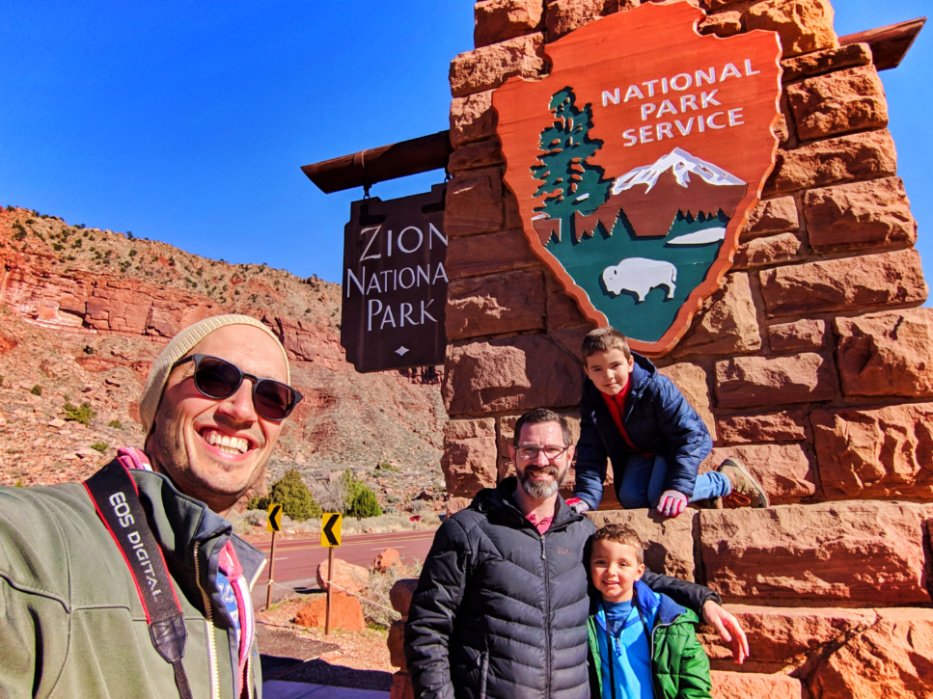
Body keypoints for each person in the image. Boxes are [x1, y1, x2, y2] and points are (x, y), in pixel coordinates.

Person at [0, 314, 302, 698]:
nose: (242, 411)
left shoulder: (226, 576)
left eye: (271, 398)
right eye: (214, 378)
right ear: (157, 402)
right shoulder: (30, 549)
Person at [405, 408, 748, 699]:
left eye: (552, 450)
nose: (541, 461)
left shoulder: (582, 534)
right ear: (513, 454)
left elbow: (633, 576)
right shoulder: (468, 531)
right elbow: (428, 628)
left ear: (570, 456)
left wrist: (704, 602)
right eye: (529, 450)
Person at [570, 327, 768, 518]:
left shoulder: (656, 388)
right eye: (597, 369)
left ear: (630, 363)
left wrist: (678, 489)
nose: (608, 376)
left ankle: (726, 480)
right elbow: (591, 450)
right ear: (587, 371)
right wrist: (585, 498)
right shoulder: (593, 399)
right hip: (641, 452)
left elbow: (690, 436)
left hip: (675, 446)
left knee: (660, 498)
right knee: (631, 498)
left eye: (615, 365)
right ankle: (703, 494)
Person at [587, 524, 711, 699]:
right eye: (601, 562)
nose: (611, 572)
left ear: (639, 572)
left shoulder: (670, 621)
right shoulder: (586, 618)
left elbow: (694, 683)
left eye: (623, 564)